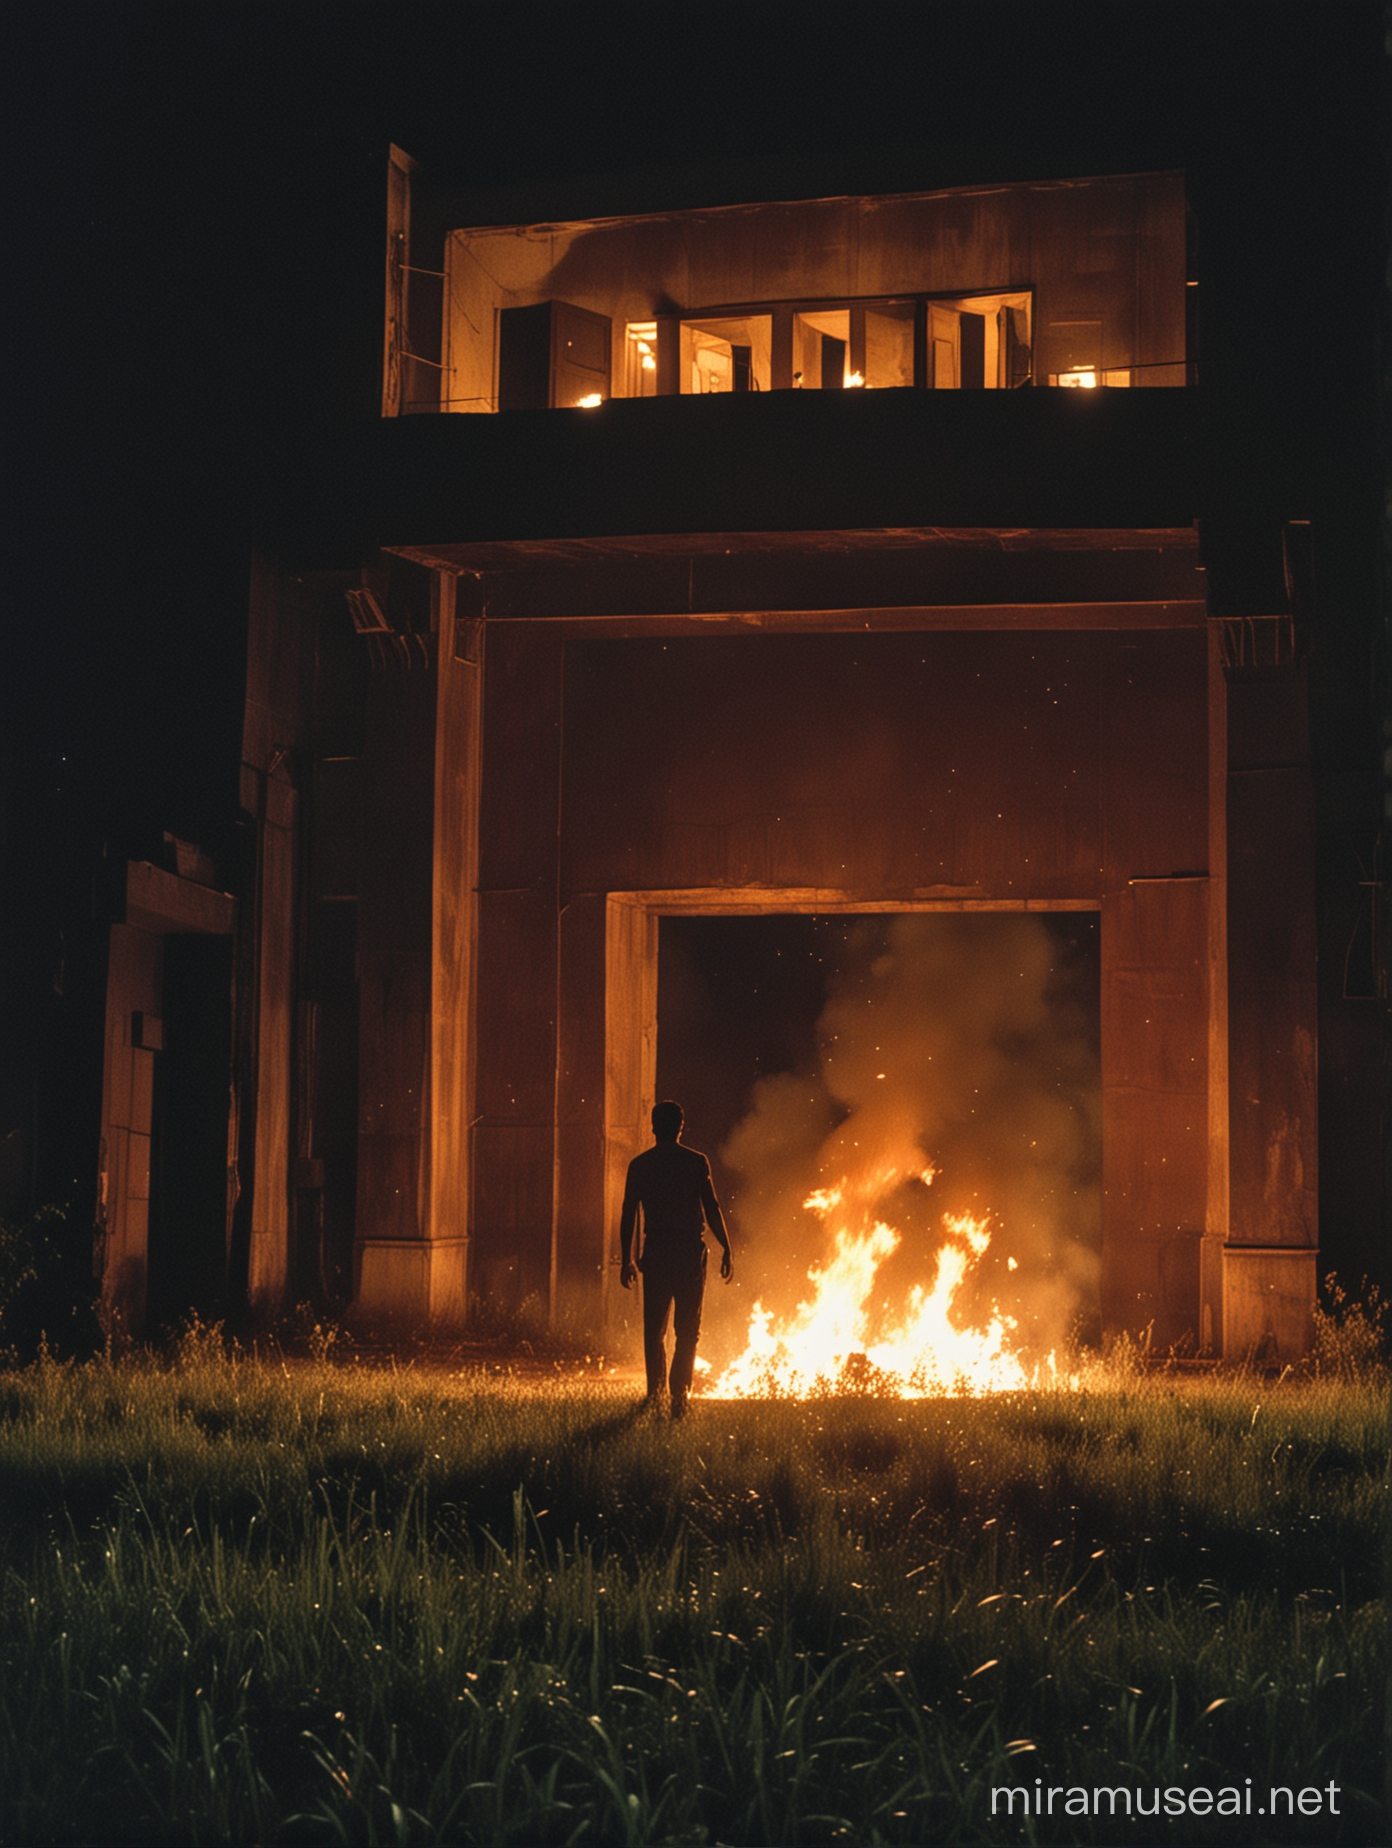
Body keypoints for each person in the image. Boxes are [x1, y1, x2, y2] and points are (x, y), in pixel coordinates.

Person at [619, 1100, 733, 1419]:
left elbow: (629, 1213)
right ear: (681, 1127)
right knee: (687, 1329)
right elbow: (712, 1208)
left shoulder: (640, 1165)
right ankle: (679, 1394)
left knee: (654, 1328)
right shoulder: (696, 1162)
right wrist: (726, 1246)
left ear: (654, 1127)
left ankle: (656, 1392)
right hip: (687, 1253)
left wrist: (627, 1258)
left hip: (656, 1252)